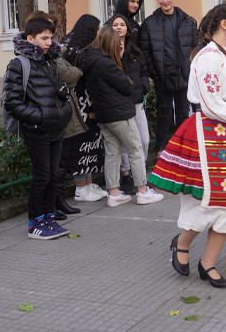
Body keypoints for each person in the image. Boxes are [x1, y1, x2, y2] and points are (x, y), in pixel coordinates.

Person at [148, 4, 226, 289]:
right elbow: (212, 105)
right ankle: (183, 242)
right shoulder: (206, 58)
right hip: (206, 133)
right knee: (205, 200)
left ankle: (208, 262)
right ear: (224, 24)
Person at [4, 17, 72, 239]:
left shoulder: (49, 62)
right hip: (37, 130)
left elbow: (57, 93)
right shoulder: (18, 65)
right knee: (42, 177)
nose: (49, 42)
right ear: (30, 38)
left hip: (55, 129)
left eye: (51, 37)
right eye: (44, 38)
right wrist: (41, 118)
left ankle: (49, 218)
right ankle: (35, 223)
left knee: (54, 176)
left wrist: (62, 111)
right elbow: (12, 103)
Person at [79, 27, 164, 207]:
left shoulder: (90, 60)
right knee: (135, 149)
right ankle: (142, 191)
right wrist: (119, 60)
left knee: (112, 152)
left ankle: (114, 193)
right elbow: (127, 85)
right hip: (119, 113)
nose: (120, 47)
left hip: (103, 115)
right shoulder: (106, 63)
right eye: (118, 45)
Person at [139, 0, 198, 153]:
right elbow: (145, 52)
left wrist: (190, 70)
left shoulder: (187, 20)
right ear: (157, 0)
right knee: (163, 113)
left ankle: (182, 149)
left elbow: (195, 48)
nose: (165, 1)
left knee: (182, 114)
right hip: (162, 76)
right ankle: (161, 150)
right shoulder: (149, 23)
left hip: (183, 74)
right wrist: (155, 73)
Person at [58, 14, 109, 205]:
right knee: (81, 143)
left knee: (90, 142)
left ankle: (88, 183)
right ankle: (81, 187)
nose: (98, 33)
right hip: (80, 103)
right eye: (96, 30)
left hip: (84, 102)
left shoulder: (74, 46)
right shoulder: (76, 51)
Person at [109, 14, 151, 193]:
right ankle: (126, 175)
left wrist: (143, 87)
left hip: (137, 101)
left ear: (127, 28)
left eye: (122, 25)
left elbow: (143, 71)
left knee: (144, 140)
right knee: (126, 143)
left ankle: (139, 173)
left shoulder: (135, 50)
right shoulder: (108, 51)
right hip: (121, 104)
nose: (119, 27)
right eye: (115, 24)